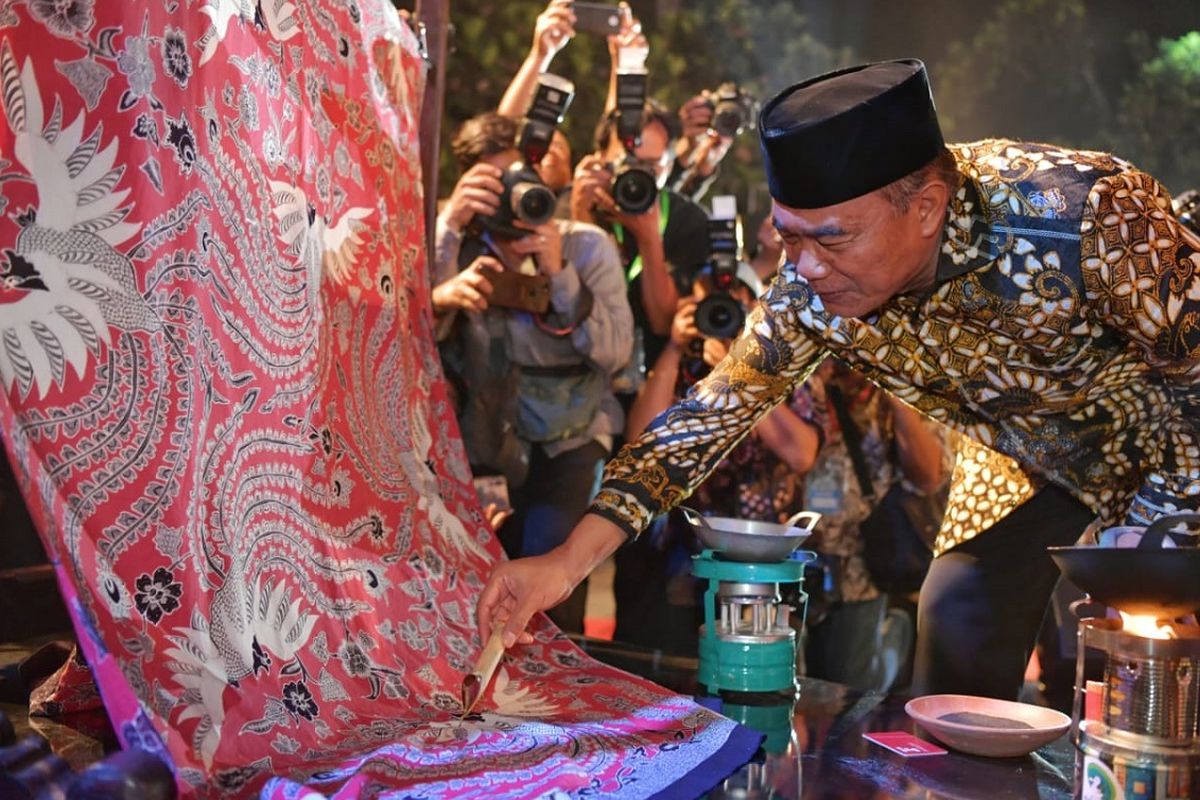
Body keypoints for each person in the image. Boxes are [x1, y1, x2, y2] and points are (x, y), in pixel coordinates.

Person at [478, 58, 1200, 700]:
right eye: (788, 234)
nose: (806, 267)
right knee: (953, 633)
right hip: (1017, 460)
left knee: (1150, 667)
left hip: (1170, 441)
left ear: (924, 208)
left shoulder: (1086, 213)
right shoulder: (806, 293)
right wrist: (565, 565)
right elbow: (705, 420)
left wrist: (1162, 522)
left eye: (831, 238)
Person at [434, 113, 633, 633]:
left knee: (549, 600)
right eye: (491, 184)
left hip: (571, 442)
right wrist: (449, 229)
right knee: (476, 590)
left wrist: (559, 273)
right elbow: (410, 342)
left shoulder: (586, 246)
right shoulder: (457, 248)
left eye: (518, 177)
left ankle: (553, 709)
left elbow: (615, 355)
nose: (508, 196)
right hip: (484, 445)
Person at [613, 263, 823, 655]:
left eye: (731, 304)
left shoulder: (784, 363)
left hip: (763, 565)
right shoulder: (681, 368)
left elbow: (801, 454)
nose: (719, 314)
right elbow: (639, 444)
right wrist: (675, 348)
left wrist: (739, 372)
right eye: (706, 303)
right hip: (681, 562)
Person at [801, 359, 948, 692]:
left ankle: (895, 637)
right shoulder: (801, 378)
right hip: (796, 559)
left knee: (851, 688)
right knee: (795, 683)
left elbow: (928, 476)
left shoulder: (899, 381)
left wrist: (895, 390)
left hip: (861, 564)